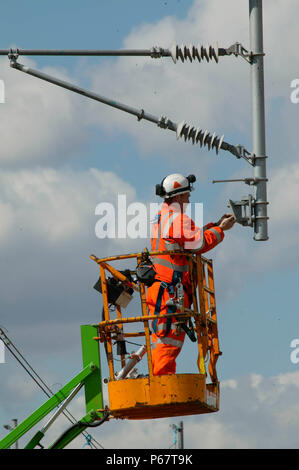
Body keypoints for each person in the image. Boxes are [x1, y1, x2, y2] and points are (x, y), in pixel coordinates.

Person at [146, 173, 235, 376]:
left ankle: (162, 379)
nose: (188, 200)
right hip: (170, 291)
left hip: (162, 289)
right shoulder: (177, 219)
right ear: (177, 197)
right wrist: (221, 231)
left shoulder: (164, 216)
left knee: (164, 338)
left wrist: (214, 225)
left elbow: (189, 239)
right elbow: (198, 243)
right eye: (186, 196)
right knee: (168, 340)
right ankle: (163, 384)